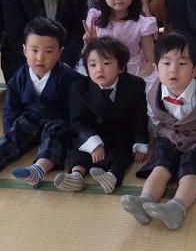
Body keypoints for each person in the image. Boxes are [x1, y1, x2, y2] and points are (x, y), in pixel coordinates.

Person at [121, 32, 196, 231]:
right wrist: (149, 144)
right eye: (166, 63)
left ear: (195, 69)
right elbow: (154, 121)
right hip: (169, 137)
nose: (173, 70)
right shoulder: (153, 92)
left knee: (189, 171)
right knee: (160, 166)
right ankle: (144, 201)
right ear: (156, 69)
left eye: (182, 63)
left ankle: (176, 208)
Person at [0, 17, 81, 187]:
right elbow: (11, 107)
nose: (40, 57)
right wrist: (10, 130)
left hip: (58, 119)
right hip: (32, 117)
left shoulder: (69, 78)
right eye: (34, 50)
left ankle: (38, 169)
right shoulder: (20, 76)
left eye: (48, 51)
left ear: (60, 52)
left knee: (54, 136)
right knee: (16, 131)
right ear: (25, 51)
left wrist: (74, 132)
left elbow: (78, 109)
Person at [53, 37, 149, 194]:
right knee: (80, 149)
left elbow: (140, 117)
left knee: (121, 153)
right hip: (93, 131)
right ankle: (76, 175)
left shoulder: (135, 85)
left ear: (121, 67)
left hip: (121, 133)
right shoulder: (79, 88)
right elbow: (78, 121)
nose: (99, 69)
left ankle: (111, 177)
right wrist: (93, 142)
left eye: (106, 63)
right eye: (93, 65)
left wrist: (140, 141)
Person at [82, 0, 158, 84]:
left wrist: (135, 82)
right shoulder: (95, 19)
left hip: (133, 74)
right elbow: (88, 58)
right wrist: (88, 43)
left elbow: (151, 60)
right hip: (100, 74)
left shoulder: (141, 24)